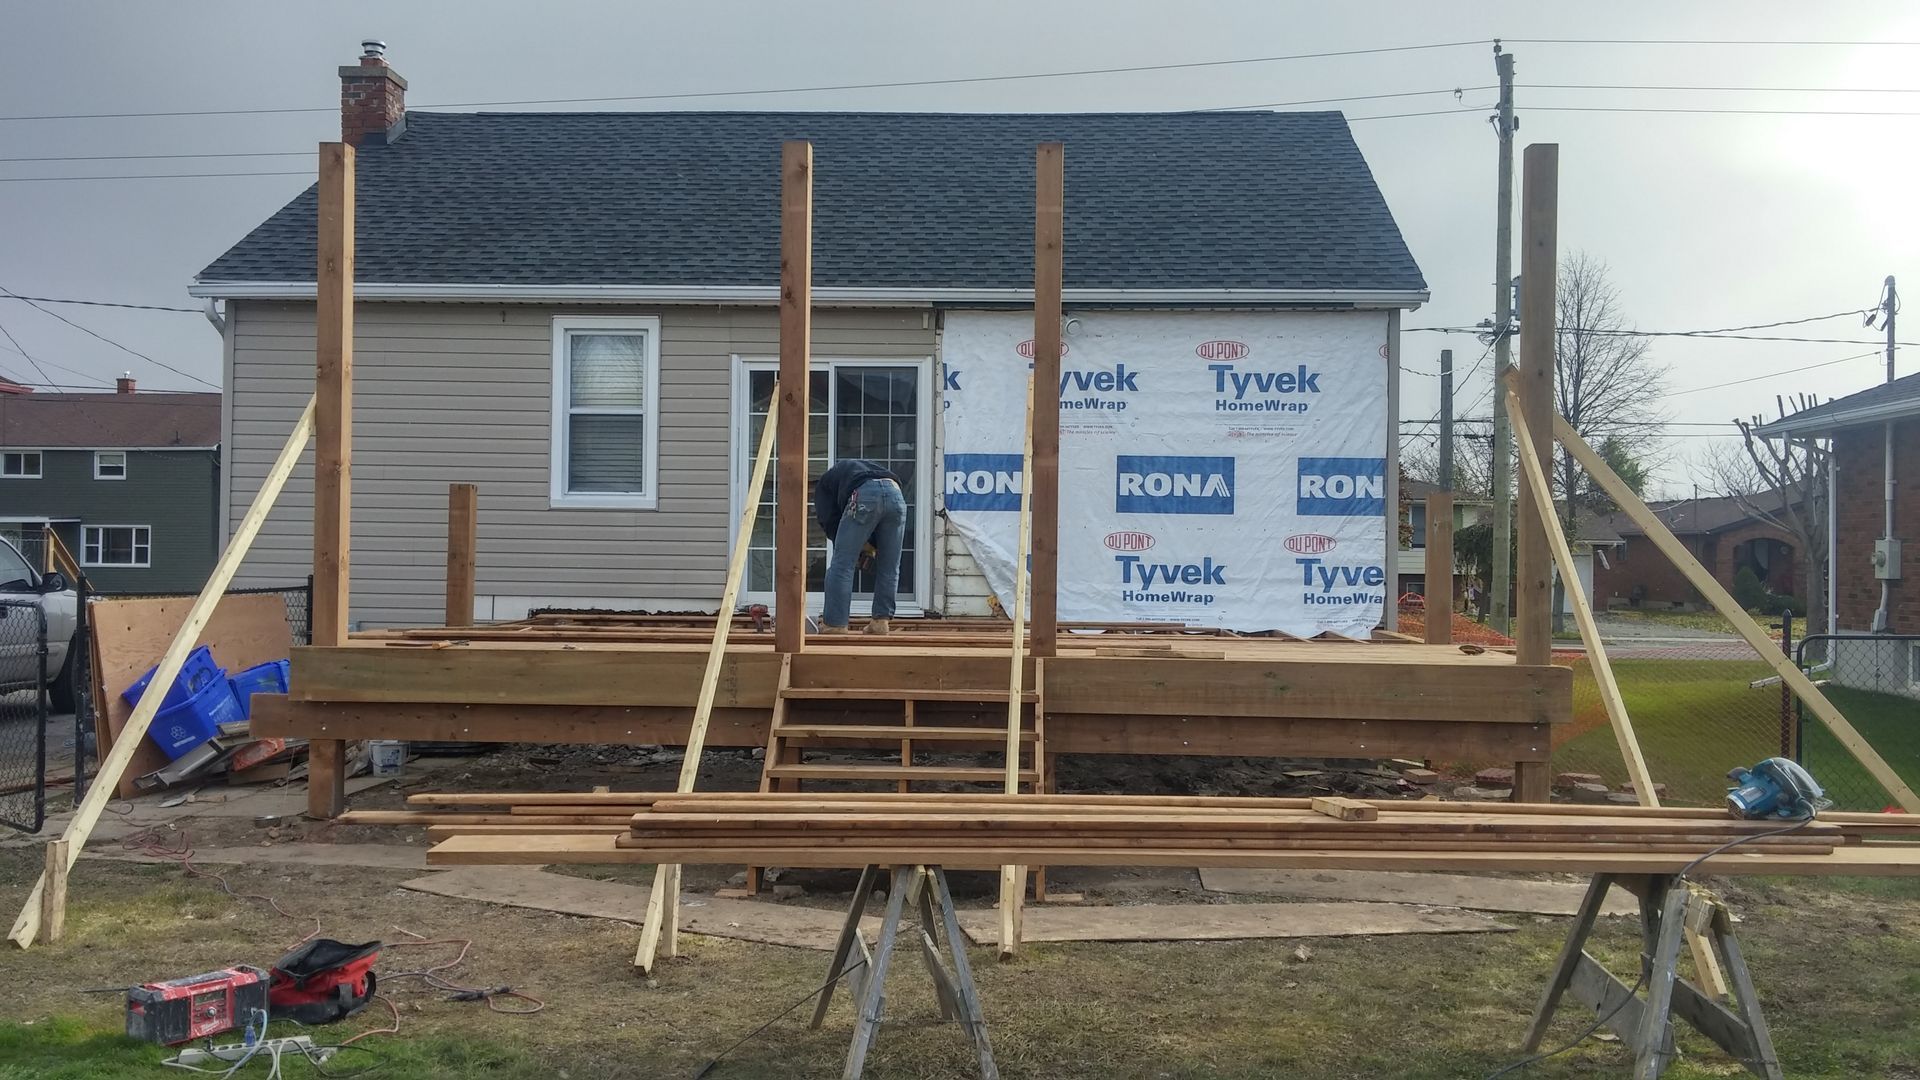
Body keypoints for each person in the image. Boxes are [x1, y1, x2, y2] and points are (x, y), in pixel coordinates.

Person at [813, 458, 906, 634]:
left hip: (864, 494)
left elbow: (830, 520)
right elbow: (880, 511)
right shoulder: (858, 471)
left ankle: (835, 624)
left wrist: (848, 547)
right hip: (896, 494)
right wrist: (869, 547)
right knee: (889, 565)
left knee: (842, 564)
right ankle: (880, 622)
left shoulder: (824, 487)